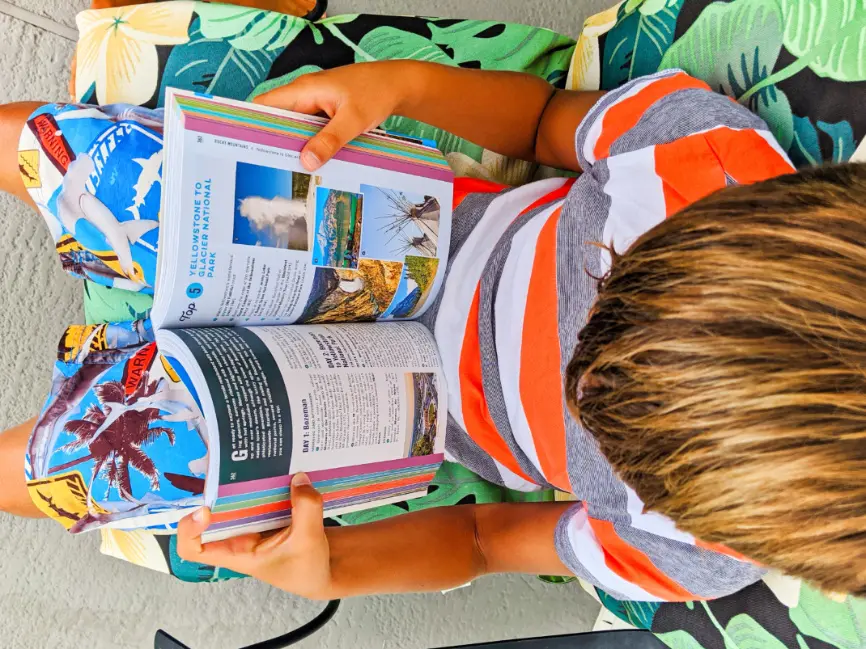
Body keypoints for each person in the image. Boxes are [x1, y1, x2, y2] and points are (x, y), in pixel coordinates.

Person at [2, 60, 865, 603]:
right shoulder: (704, 156)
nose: (578, 381)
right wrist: (403, 88)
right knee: (108, 170)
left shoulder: (697, 551)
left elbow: (483, 539)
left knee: (100, 459)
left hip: (394, 411)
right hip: (403, 231)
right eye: (610, 289)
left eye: (610, 429)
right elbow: (538, 121)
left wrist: (329, 568)